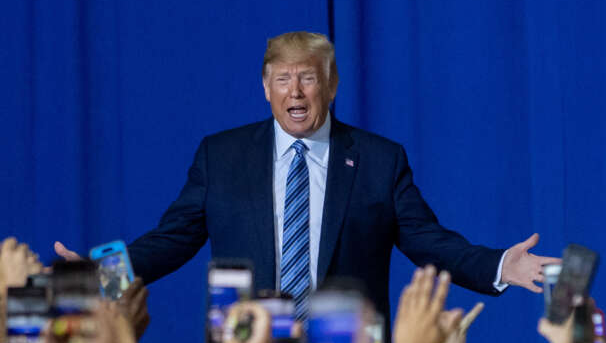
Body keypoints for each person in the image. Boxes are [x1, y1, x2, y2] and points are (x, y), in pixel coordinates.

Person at [55, 31, 559, 322]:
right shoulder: (221, 156)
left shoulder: (379, 161)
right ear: (266, 88)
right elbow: (170, 240)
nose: (295, 92)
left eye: (308, 78)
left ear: (331, 85)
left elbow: (429, 242)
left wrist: (498, 266)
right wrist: (100, 274)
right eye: (283, 79)